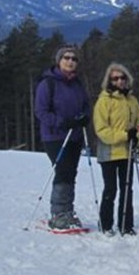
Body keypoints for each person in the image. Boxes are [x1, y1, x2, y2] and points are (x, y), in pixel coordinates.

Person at [34, 45, 92, 230]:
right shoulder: (48, 83)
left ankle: (67, 211)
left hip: (74, 135)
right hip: (54, 136)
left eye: (74, 59)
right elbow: (41, 111)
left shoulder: (77, 84)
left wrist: (84, 117)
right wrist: (61, 122)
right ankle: (58, 213)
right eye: (66, 58)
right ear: (59, 61)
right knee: (62, 171)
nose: (70, 61)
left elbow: (85, 104)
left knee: (70, 173)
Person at [93, 62, 139, 235]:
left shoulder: (132, 100)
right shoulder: (104, 101)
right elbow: (101, 129)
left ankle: (126, 225)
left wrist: (137, 137)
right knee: (110, 188)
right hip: (108, 152)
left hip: (127, 152)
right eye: (115, 78)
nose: (120, 81)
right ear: (109, 80)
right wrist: (125, 135)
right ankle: (106, 224)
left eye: (122, 77)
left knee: (127, 188)